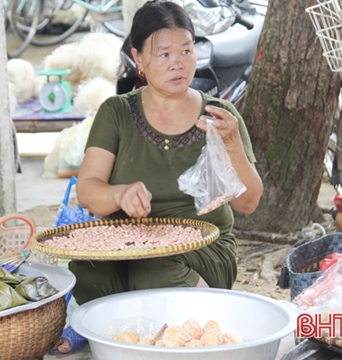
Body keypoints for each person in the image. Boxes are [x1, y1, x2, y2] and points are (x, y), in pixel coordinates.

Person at [50, 0, 263, 354]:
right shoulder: (116, 113)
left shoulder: (219, 116)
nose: (178, 63)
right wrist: (119, 195)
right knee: (88, 270)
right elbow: (88, 191)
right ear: (139, 59)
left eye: (186, 50)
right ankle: (136, 329)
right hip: (127, 245)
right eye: (163, 54)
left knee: (154, 272)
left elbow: (249, 202)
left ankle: (187, 329)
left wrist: (231, 143)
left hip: (202, 250)